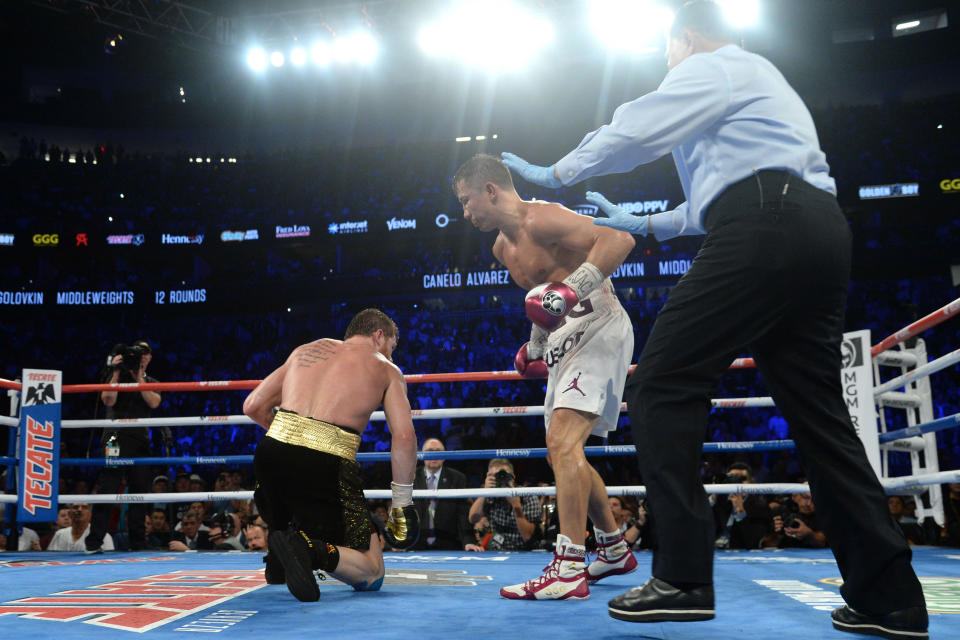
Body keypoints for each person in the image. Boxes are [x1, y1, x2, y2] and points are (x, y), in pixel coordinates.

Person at [500, 1, 928, 636]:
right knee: (822, 424)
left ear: (686, 37)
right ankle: (890, 598)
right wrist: (641, 223)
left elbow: (636, 128)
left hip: (766, 226)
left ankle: (683, 577)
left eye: (667, 50)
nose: (666, 62)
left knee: (662, 383)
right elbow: (706, 207)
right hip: (812, 232)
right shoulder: (752, 90)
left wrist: (558, 171)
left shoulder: (716, 64)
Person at [454, 153, 638, 601]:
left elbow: (620, 239)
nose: (465, 212)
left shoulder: (543, 218)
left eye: (466, 200)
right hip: (564, 339)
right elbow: (545, 301)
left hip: (599, 325)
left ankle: (569, 566)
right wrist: (535, 345)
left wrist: (570, 291)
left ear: (490, 190)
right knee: (564, 453)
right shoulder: (501, 248)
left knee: (562, 443)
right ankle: (612, 547)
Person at [244, 308, 418, 602]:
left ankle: (278, 561)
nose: (392, 356)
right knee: (373, 572)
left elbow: (252, 406)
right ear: (379, 336)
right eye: (392, 347)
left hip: (270, 453)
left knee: (292, 503)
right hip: (326, 463)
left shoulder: (306, 350)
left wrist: (291, 437)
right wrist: (402, 504)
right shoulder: (386, 369)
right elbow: (403, 436)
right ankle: (310, 551)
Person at [87, 339, 161, 553]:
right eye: (138, 352)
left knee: (139, 491)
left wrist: (139, 377)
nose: (141, 356)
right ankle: (94, 542)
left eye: (145, 352)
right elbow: (108, 400)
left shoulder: (151, 380)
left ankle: (138, 542)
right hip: (115, 439)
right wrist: (116, 372)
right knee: (109, 488)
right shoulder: (114, 377)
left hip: (140, 442)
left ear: (149, 358)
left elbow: (153, 402)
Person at [413, 437, 477, 551]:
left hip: (449, 544)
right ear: (421, 455)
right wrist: (400, 542)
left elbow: (463, 513)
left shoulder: (457, 478)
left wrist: (468, 541)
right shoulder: (411, 478)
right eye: (429, 452)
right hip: (416, 544)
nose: (433, 455)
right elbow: (402, 510)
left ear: (444, 455)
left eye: (438, 451)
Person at [467, 459, 542, 553]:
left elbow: (527, 536)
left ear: (513, 477)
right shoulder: (490, 496)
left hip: (525, 551)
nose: (499, 479)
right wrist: (485, 492)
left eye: (503, 475)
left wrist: (516, 504)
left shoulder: (527, 496)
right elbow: (472, 519)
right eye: (494, 476)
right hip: (497, 551)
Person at [48, 503, 115, 552]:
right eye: (75, 507)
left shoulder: (103, 536)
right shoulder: (60, 534)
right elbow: (51, 557)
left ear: (90, 514)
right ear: (70, 514)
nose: (79, 510)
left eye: (84, 507)